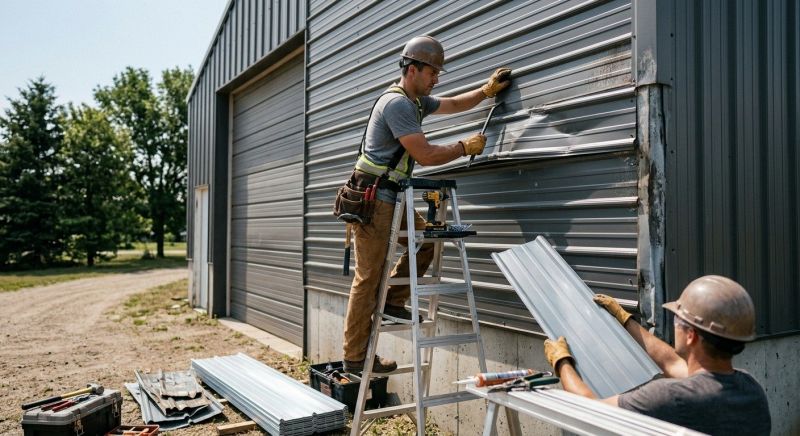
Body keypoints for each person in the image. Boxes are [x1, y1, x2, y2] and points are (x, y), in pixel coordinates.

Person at [341, 35, 512, 373]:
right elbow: (426, 154)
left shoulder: (418, 102)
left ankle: (392, 301)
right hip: (375, 199)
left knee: (428, 240)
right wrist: (464, 147)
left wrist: (486, 91)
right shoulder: (399, 104)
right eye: (433, 72)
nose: (436, 79)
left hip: (392, 196)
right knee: (368, 277)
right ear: (414, 69)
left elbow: (453, 104)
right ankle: (355, 358)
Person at [543, 275, 771, 435]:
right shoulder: (752, 389)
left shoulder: (669, 397)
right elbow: (672, 362)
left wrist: (562, 361)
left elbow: (591, 410)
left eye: (678, 320)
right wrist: (625, 320)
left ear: (691, 335)